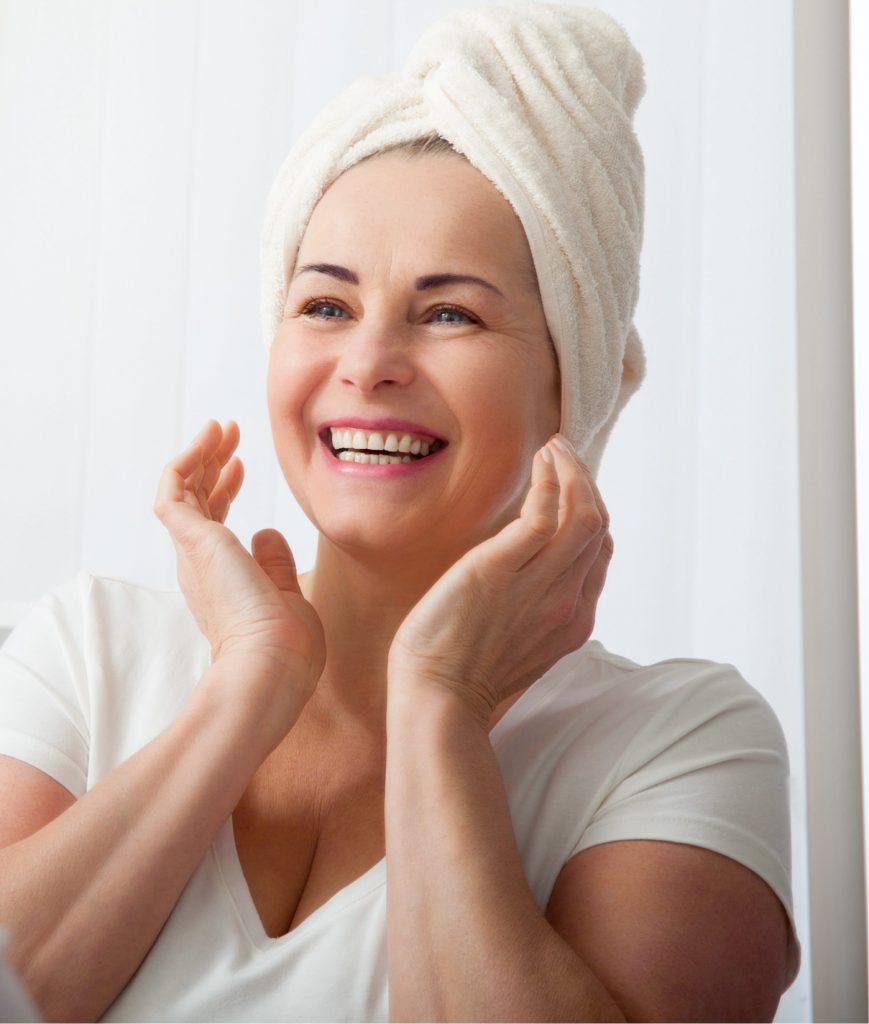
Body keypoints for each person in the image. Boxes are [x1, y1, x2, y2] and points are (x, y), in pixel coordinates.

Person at [0, 3, 800, 1021]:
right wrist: (246, 686)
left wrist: (440, 704)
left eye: (449, 312)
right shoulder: (87, 651)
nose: (367, 364)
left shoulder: (674, 742)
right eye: (324, 305)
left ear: (569, 386)